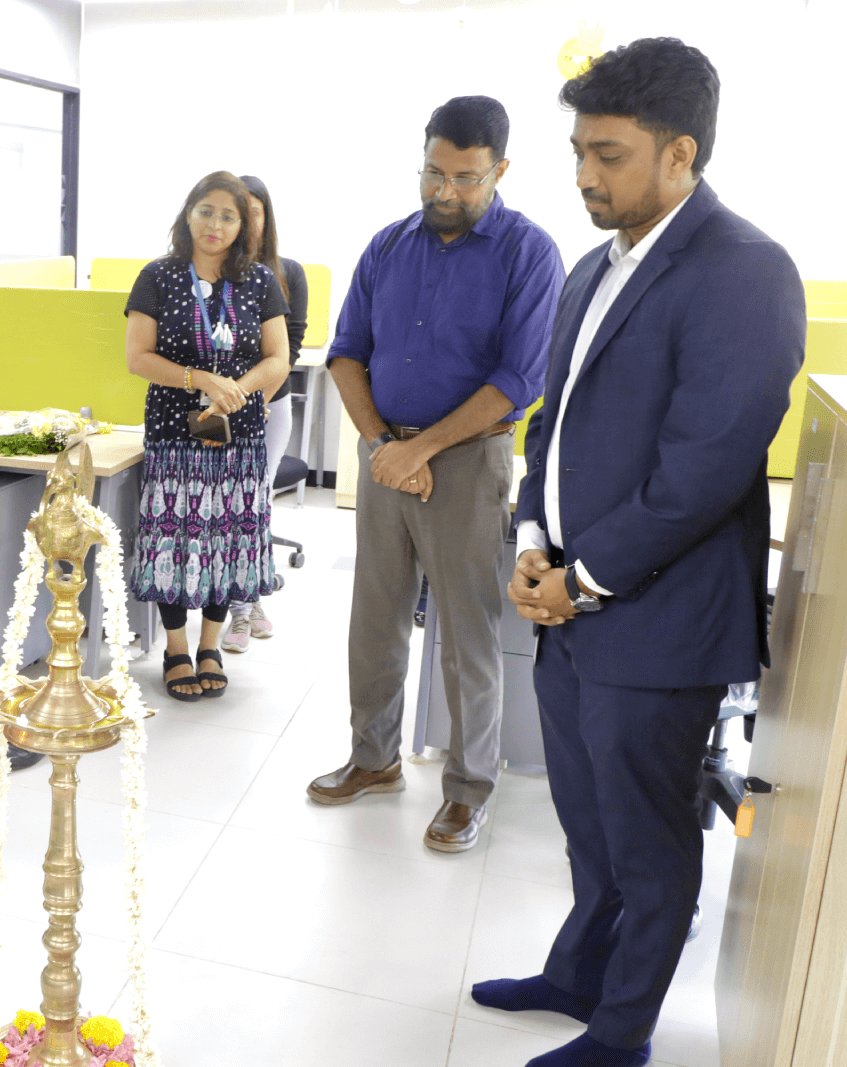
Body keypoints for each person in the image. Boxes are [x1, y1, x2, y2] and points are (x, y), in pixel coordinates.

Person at [471, 39, 803, 1067]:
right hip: (567, 602)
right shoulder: (592, 267)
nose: (582, 175)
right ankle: (579, 969)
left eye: (607, 154)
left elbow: (701, 469)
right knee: (586, 822)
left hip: (653, 622)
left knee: (651, 844)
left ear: (679, 153)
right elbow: (549, 425)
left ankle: (621, 1032)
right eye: (577, 150)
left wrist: (584, 576)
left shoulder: (744, 271)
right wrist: (533, 541)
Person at [307, 96, 564, 853]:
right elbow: (347, 351)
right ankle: (373, 757)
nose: (444, 191)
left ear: (500, 171)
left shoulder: (529, 252)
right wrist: (386, 443)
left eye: (464, 177)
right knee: (375, 618)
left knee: (466, 631)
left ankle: (468, 788)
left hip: (466, 458)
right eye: (432, 172)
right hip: (386, 452)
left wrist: (420, 451)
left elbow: (519, 376)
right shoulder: (388, 246)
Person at [124, 171, 291, 701]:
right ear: (187, 214)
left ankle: (210, 645)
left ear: (243, 226)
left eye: (228, 215)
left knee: (226, 537)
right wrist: (202, 380)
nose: (215, 224)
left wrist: (234, 390)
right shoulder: (158, 276)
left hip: (238, 431)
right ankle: (175, 647)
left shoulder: (260, 281)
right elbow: (138, 358)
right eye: (206, 211)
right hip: (174, 428)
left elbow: (279, 359)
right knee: (172, 536)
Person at [221, 174, 308, 654]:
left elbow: (289, 348)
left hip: (268, 407)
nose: (245, 220)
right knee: (229, 506)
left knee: (253, 503)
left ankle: (245, 604)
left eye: (254, 212)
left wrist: (253, 403)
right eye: (237, 210)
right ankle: (242, 606)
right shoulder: (212, 272)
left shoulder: (286, 272)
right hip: (218, 407)